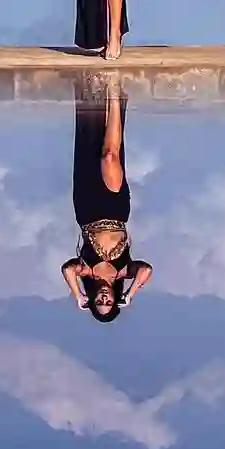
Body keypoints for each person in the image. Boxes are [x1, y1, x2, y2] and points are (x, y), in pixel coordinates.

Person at [60, 83, 152, 323]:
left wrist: (77, 293)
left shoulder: (85, 270)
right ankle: (113, 96)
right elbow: (146, 270)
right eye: (108, 302)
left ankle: (93, 92)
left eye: (98, 302)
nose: (103, 299)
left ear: (92, 300)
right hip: (115, 210)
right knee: (110, 155)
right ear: (114, 299)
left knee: (88, 147)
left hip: (86, 209)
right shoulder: (124, 271)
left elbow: (67, 270)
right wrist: (130, 294)